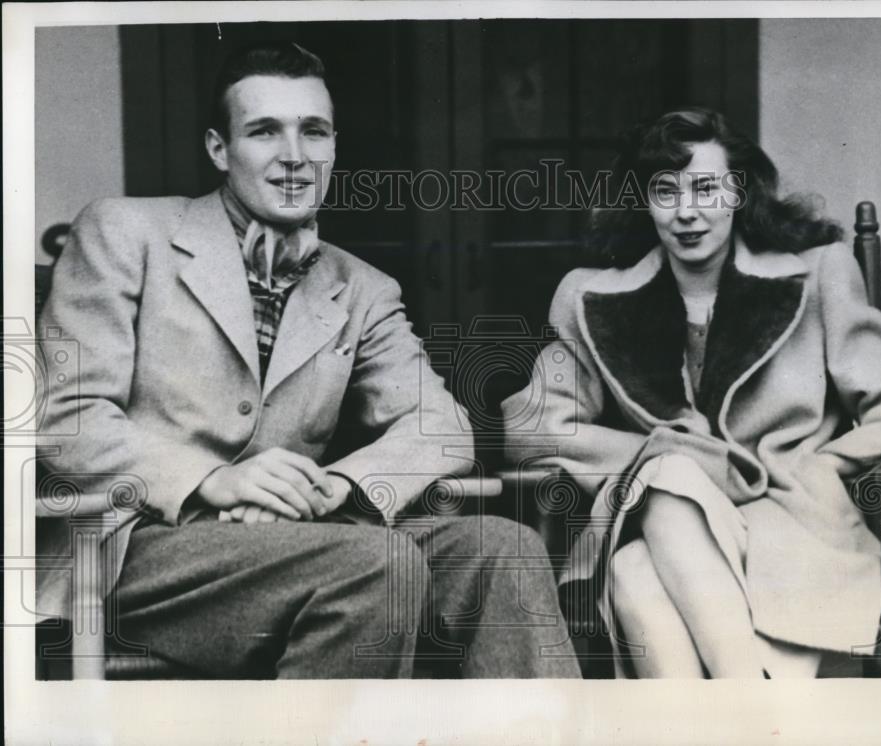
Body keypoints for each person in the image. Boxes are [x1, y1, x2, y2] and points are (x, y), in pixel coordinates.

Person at [37, 42, 580, 679]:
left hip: (303, 543)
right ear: (219, 149)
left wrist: (335, 489)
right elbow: (69, 420)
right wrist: (211, 479)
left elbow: (444, 427)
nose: (294, 156)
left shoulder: (362, 288)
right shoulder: (125, 233)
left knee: (502, 548)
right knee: (375, 563)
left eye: (313, 132)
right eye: (264, 131)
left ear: (332, 148)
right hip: (140, 548)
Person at [502, 108, 881, 678]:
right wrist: (670, 454)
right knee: (666, 484)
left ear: (740, 192)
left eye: (706, 188)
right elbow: (530, 428)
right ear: (644, 202)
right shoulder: (592, 298)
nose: (686, 211)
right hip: (665, 525)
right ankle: (749, 709)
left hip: (788, 526)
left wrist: (827, 463)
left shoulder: (816, 275)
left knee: (636, 569)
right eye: (665, 191)